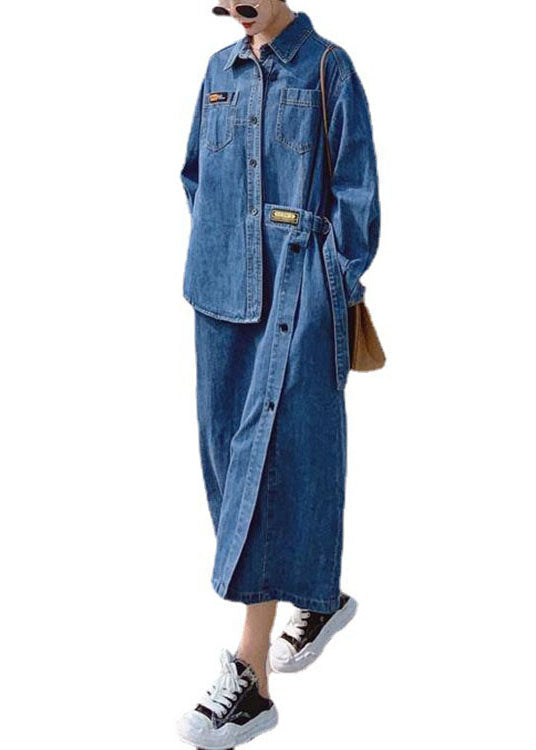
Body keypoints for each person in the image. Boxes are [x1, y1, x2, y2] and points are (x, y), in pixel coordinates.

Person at [177, 2, 380, 747]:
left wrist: (332, 282)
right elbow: (195, 175)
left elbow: (357, 194)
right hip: (217, 293)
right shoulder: (217, 71)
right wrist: (224, 243)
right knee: (227, 463)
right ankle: (317, 592)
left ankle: (251, 675)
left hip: (299, 289)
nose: (234, 13)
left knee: (271, 462)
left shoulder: (329, 68)